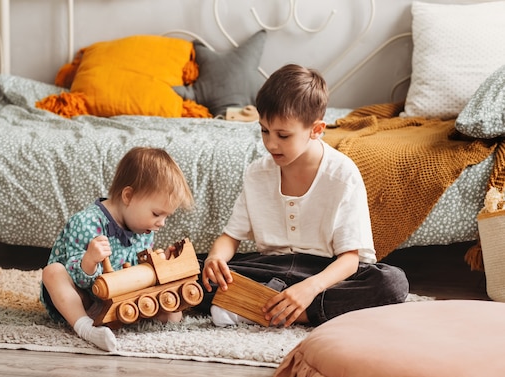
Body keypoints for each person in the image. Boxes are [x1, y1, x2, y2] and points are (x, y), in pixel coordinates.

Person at [201, 64, 409, 328]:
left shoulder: (343, 174)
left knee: (391, 283)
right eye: (264, 130)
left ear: (316, 129)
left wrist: (309, 288)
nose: (270, 144)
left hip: (322, 273)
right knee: (196, 271)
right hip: (271, 267)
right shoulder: (257, 173)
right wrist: (215, 258)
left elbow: (350, 259)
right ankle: (270, 305)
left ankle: (272, 310)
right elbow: (230, 237)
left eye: (283, 135)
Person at [40, 146, 194, 351]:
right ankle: (85, 327)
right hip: (80, 297)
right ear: (128, 196)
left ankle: (114, 319)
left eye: (167, 216)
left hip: (115, 299)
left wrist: (157, 266)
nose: (161, 223)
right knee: (53, 273)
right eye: (157, 214)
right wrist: (89, 261)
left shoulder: (144, 229)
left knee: (173, 313)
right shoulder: (86, 222)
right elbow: (78, 278)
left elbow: (138, 277)